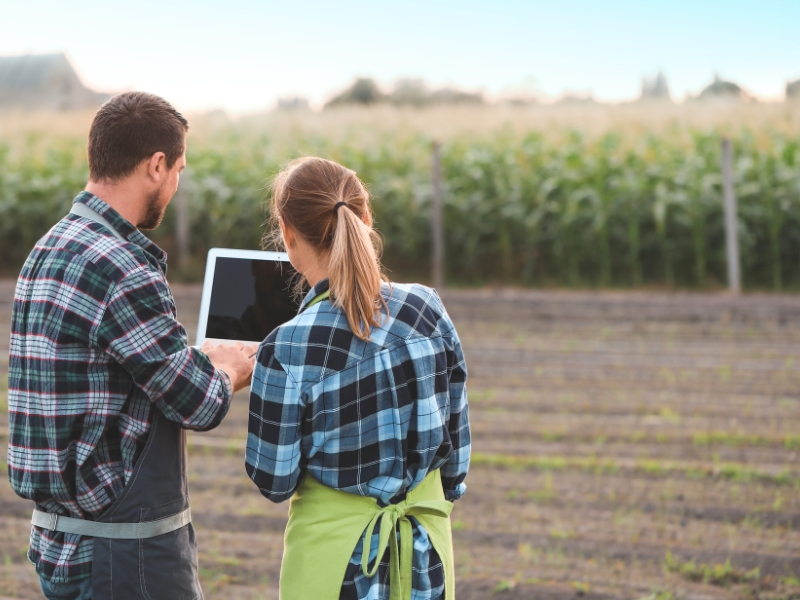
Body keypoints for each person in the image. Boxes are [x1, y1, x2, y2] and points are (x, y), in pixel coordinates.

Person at [7, 92, 256, 600]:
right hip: (124, 557)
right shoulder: (122, 266)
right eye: (179, 168)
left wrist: (191, 363)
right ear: (156, 165)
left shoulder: (50, 246)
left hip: (60, 542)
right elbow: (198, 402)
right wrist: (227, 368)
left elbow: (118, 367)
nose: (178, 183)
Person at [245, 157, 471, 600]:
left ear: (288, 238)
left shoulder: (285, 347)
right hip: (425, 560)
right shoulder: (428, 309)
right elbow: (455, 459)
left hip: (337, 571)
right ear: (366, 219)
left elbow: (273, 481)